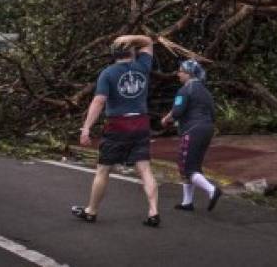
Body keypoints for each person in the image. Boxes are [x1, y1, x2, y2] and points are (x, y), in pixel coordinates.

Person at [72, 34, 160, 227]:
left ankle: (91, 211)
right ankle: (153, 211)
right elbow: (147, 41)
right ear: (132, 51)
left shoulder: (108, 73)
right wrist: (129, 38)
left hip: (117, 126)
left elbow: (99, 101)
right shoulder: (143, 67)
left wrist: (86, 128)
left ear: (114, 54)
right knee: (144, 169)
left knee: (103, 169)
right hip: (141, 123)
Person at [161, 59, 222, 212]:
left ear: (188, 73)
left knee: (187, 166)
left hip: (192, 130)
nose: (178, 74)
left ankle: (212, 190)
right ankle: (187, 202)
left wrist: (167, 119)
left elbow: (177, 112)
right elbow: (213, 114)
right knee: (194, 165)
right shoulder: (205, 91)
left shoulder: (184, 90)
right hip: (207, 129)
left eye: (180, 71)